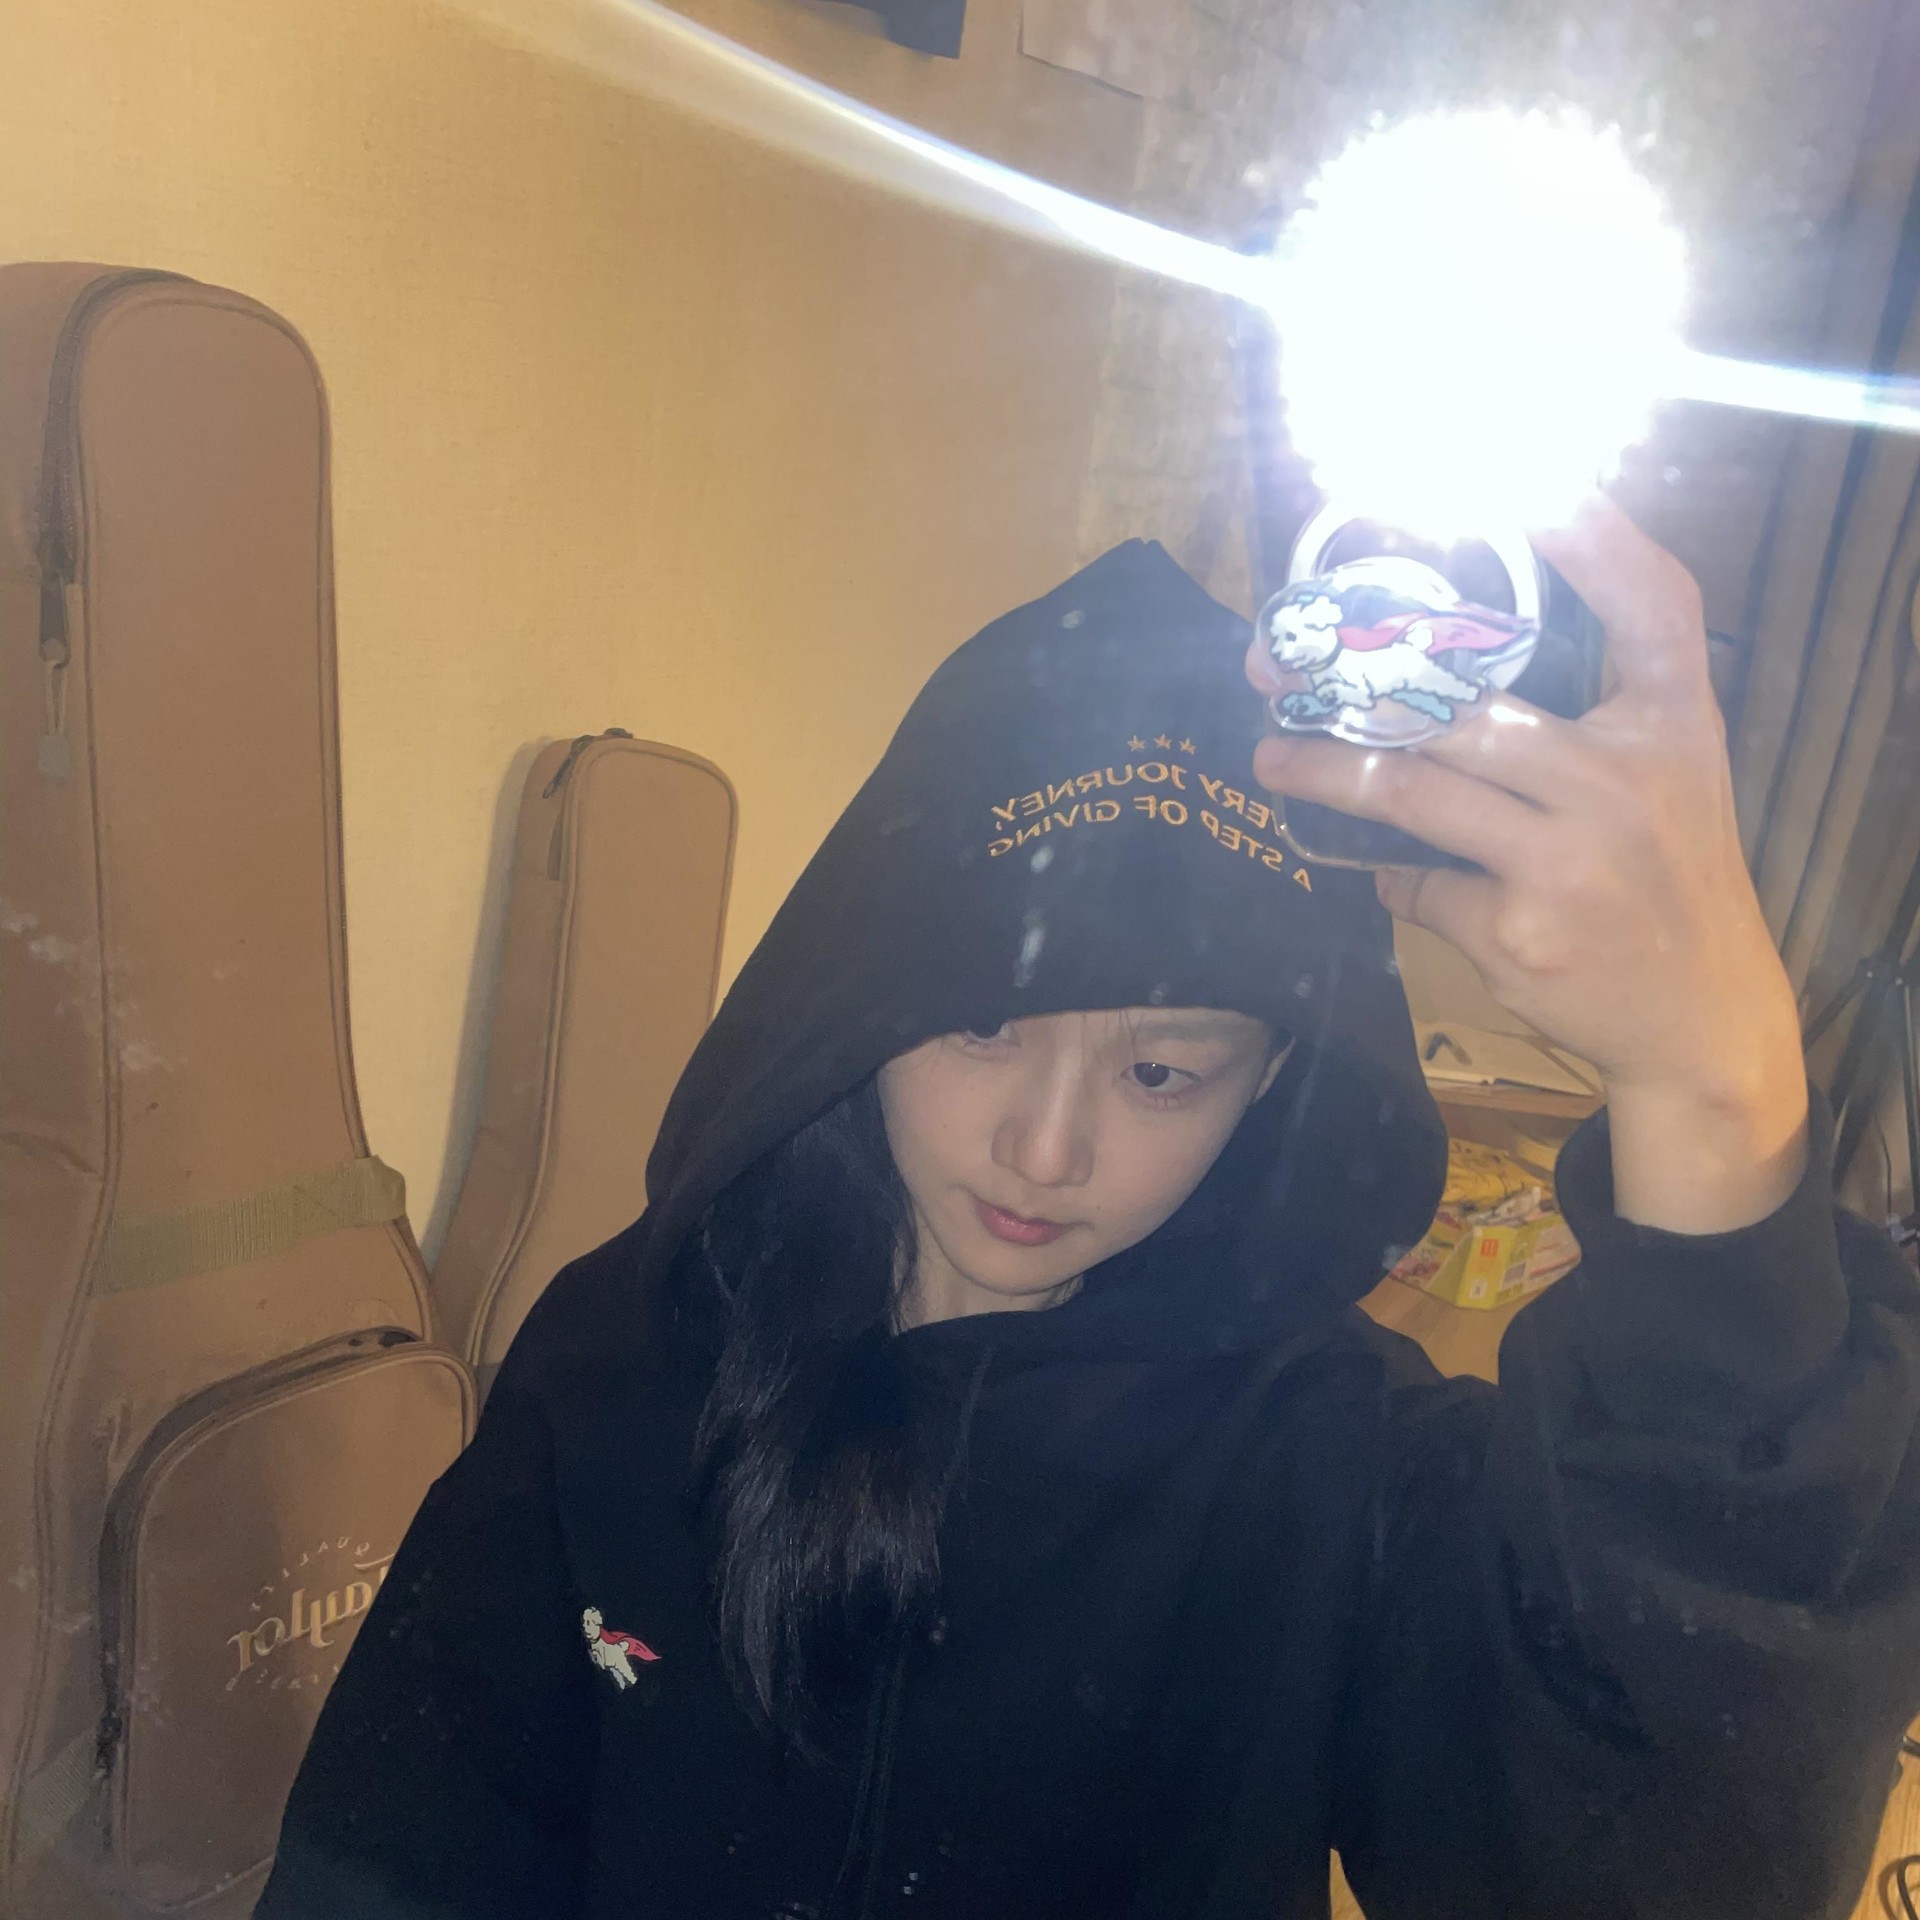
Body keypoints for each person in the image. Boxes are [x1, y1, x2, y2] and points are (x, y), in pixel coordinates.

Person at [256, 502, 1920, 1920]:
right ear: (864, 1003)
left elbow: (1658, 1849)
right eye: (982, 1028)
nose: (1043, 1153)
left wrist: (1712, 1098)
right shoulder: (627, 1349)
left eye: (1162, 1073)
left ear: (1272, 1081)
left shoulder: (1323, 1455)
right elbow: (403, 1842)